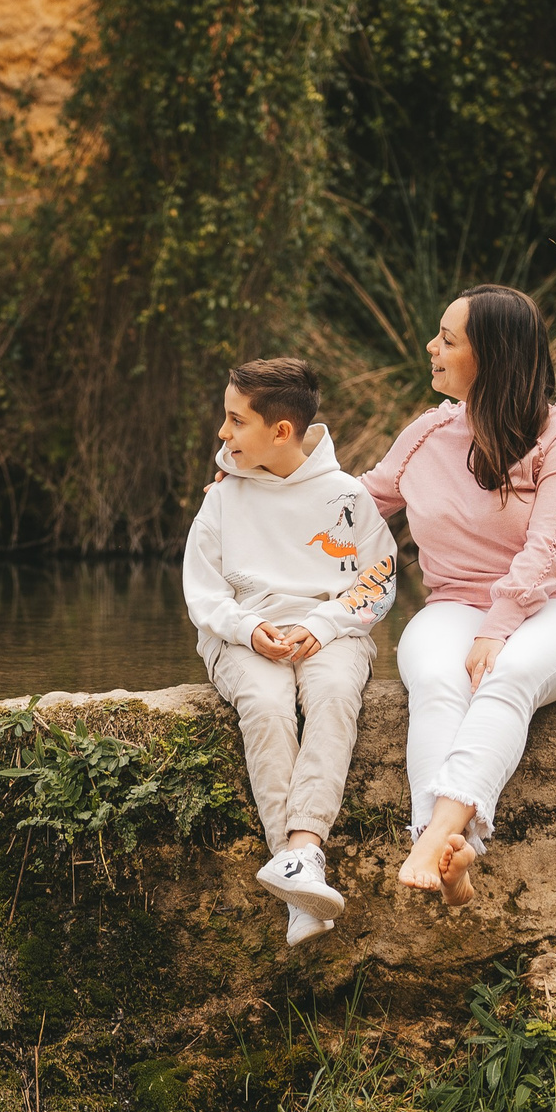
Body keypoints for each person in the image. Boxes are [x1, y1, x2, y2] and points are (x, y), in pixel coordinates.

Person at [364, 284, 556, 906]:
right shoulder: (428, 433)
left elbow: (550, 548)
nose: (431, 347)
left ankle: (433, 834)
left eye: (447, 339)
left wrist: (498, 625)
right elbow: (358, 504)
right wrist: (257, 488)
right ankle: (458, 857)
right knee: (437, 678)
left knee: (507, 674)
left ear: (495, 356)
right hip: (454, 605)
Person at [184, 358, 398, 947]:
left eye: (235, 420)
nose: (222, 434)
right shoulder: (223, 498)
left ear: (281, 431)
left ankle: (302, 850)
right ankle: (298, 873)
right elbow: (202, 589)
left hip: (330, 630)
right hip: (243, 633)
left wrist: (326, 624)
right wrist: (249, 630)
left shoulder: (346, 497)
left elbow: (377, 579)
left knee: (331, 693)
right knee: (268, 703)